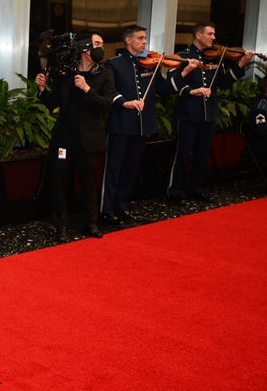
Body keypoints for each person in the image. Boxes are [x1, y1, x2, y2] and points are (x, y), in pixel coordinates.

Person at [36, 30, 116, 243]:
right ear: (84, 48)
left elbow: (106, 105)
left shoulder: (104, 74)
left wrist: (87, 88)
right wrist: (42, 90)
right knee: (60, 184)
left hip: (89, 141)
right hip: (64, 140)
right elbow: (55, 103)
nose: (101, 47)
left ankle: (91, 222)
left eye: (102, 43)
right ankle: (61, 225)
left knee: (89, 184)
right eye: (97, 43)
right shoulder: (66, 75)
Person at [100, 25, 182, 225]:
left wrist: (184, 71)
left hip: (142, 125)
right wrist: (124, 102)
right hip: (120, 124)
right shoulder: (114, 64)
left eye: (145, 38)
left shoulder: (151, 64)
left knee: (130, 169)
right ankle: (106, 210)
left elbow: (163, 89)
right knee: (113, 168)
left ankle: (122, 206)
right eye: (141, 38)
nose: (145, 42)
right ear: (128, 40)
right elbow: (109, 91)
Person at [166, 22, 253, 204]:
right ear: (198, 35)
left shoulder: (215, 58)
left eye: (214, 34)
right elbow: (174, 83)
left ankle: (194, 189)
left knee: (202, 154)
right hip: (188, 113)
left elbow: (222, 82)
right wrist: (191, 90)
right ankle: (173, 191)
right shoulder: (183, 57)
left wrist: (241, 64)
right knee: (182, 154)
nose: (214, 38)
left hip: (209, 113)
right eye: (210, 34)